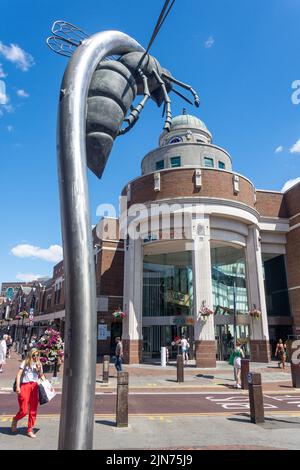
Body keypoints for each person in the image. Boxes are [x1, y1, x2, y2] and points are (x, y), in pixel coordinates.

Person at [11, 348, 46, 438]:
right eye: (34, 355)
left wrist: (39, 370)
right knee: (24, 410)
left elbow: (42, 376)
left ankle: (30, 429)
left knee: (33, 410)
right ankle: (15, 419)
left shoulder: (39, 364)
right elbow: (18, 375)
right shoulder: (25, 362)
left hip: (34, 387)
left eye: (37, 355)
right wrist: (18, 386)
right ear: (30, 354)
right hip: (25, 386)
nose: (35, 356)